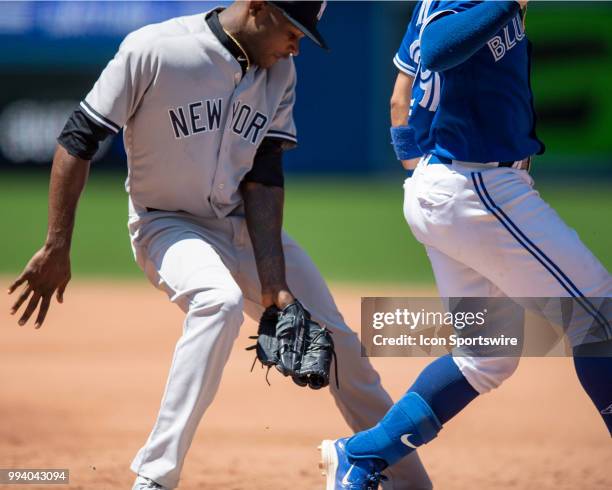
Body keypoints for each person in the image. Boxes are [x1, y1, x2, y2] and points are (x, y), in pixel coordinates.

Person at [7, 2, 433, 489]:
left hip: (241, 226)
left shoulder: (281, 72)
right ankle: (155, 477)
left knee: (341, 345)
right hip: (166, 225)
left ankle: (408, 480)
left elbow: (265, 174)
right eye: (294, 29)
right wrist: (57, 243)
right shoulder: (155, 50)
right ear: (258, 8)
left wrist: (275, 287)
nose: (298, 44)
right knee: (219, 301)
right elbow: (78, 137)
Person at [319, 1, 612, 488]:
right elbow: (436, 49)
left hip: (450, 186)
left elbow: (400, 98)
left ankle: (361, 455)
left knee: (485, 356)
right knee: (597, 315)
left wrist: (420, 174)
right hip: (478, 185)